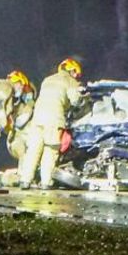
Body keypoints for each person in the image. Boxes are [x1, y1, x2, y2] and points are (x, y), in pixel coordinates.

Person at [20, 58, 85, 189]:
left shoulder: (47, 79)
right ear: (72, 70)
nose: (76, 77)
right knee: (50, 150)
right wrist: (82, 98)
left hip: (37, 118)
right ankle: (46, 182)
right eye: (76, 74)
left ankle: (25, 180)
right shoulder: (70, 81)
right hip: (54, 119)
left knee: (33, 150)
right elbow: (75, 101)